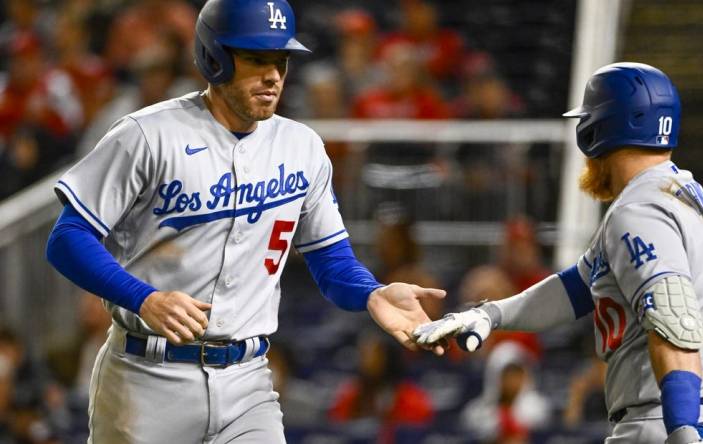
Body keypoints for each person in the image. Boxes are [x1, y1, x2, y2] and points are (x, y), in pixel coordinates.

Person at [44, 1, 445, 442]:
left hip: (248, 380)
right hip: (146, 378)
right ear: (214, 58)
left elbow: (331, 261)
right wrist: (144, 299)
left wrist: (371, 293)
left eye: (281, 60)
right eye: (256, 59)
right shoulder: (148, 134)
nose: (273, 75)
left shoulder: (303, 148)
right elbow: (67, 238)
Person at [414, 62, 703, 443]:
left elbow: (674, 321)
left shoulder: (639, 211)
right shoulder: (679, 193)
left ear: (600, 130)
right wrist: (491, 314)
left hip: (679, 422)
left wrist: (683, 429)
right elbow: (579, 286)